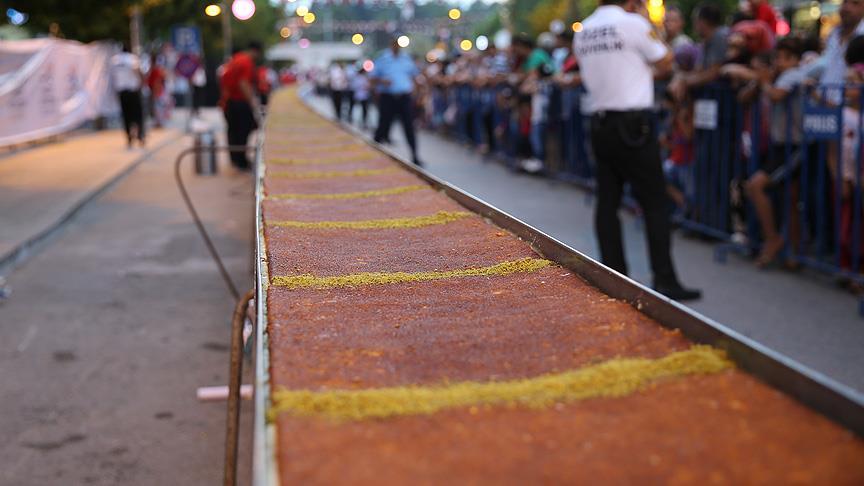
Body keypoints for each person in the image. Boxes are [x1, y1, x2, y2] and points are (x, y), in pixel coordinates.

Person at [574, 0, 702, 301]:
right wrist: (648, 23)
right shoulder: (633, 23)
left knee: (607, 202)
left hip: (600, 122)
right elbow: (665, 61)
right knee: (655, 203)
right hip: (633, 125)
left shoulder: (584, 30)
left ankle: (614, 277)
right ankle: (665, 279)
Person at [371, 35, 422, 166]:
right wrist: (382, 81)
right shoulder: (382, 58)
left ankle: (415, 156)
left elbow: (415, 76)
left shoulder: (406, 58)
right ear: (391, 44)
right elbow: (372, 78)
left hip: (404, 97)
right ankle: (373, 154)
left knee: (409, 127)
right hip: (388, 97)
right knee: (383, 126)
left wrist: (418, 94)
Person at [219, 41, 263, 171]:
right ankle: (241, 162)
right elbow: (243, 83)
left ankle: (236, 160)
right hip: (239, 102)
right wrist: (252, 101)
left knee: (233, 132)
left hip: (229, 102)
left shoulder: (234, 60)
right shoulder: (246, 62)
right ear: (256, 51)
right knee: (243, 131)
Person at [110, 44, 145, 148]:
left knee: (126, 115)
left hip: (122, 91)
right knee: (138, 115)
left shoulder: (114, 60)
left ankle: (129, 137)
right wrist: (140, 81)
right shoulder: (132, 59)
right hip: (133, 90)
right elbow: (137, 70)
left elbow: (112, 77)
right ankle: (140, 135)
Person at [146, 53, 170, 129]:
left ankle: (159, 123)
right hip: (156, 91)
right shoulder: (155, 69)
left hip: (157, 91)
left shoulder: (156, 70)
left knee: (158, 107)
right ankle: (158, 122)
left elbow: (158, 81)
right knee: (157, 107)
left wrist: (155, 92)